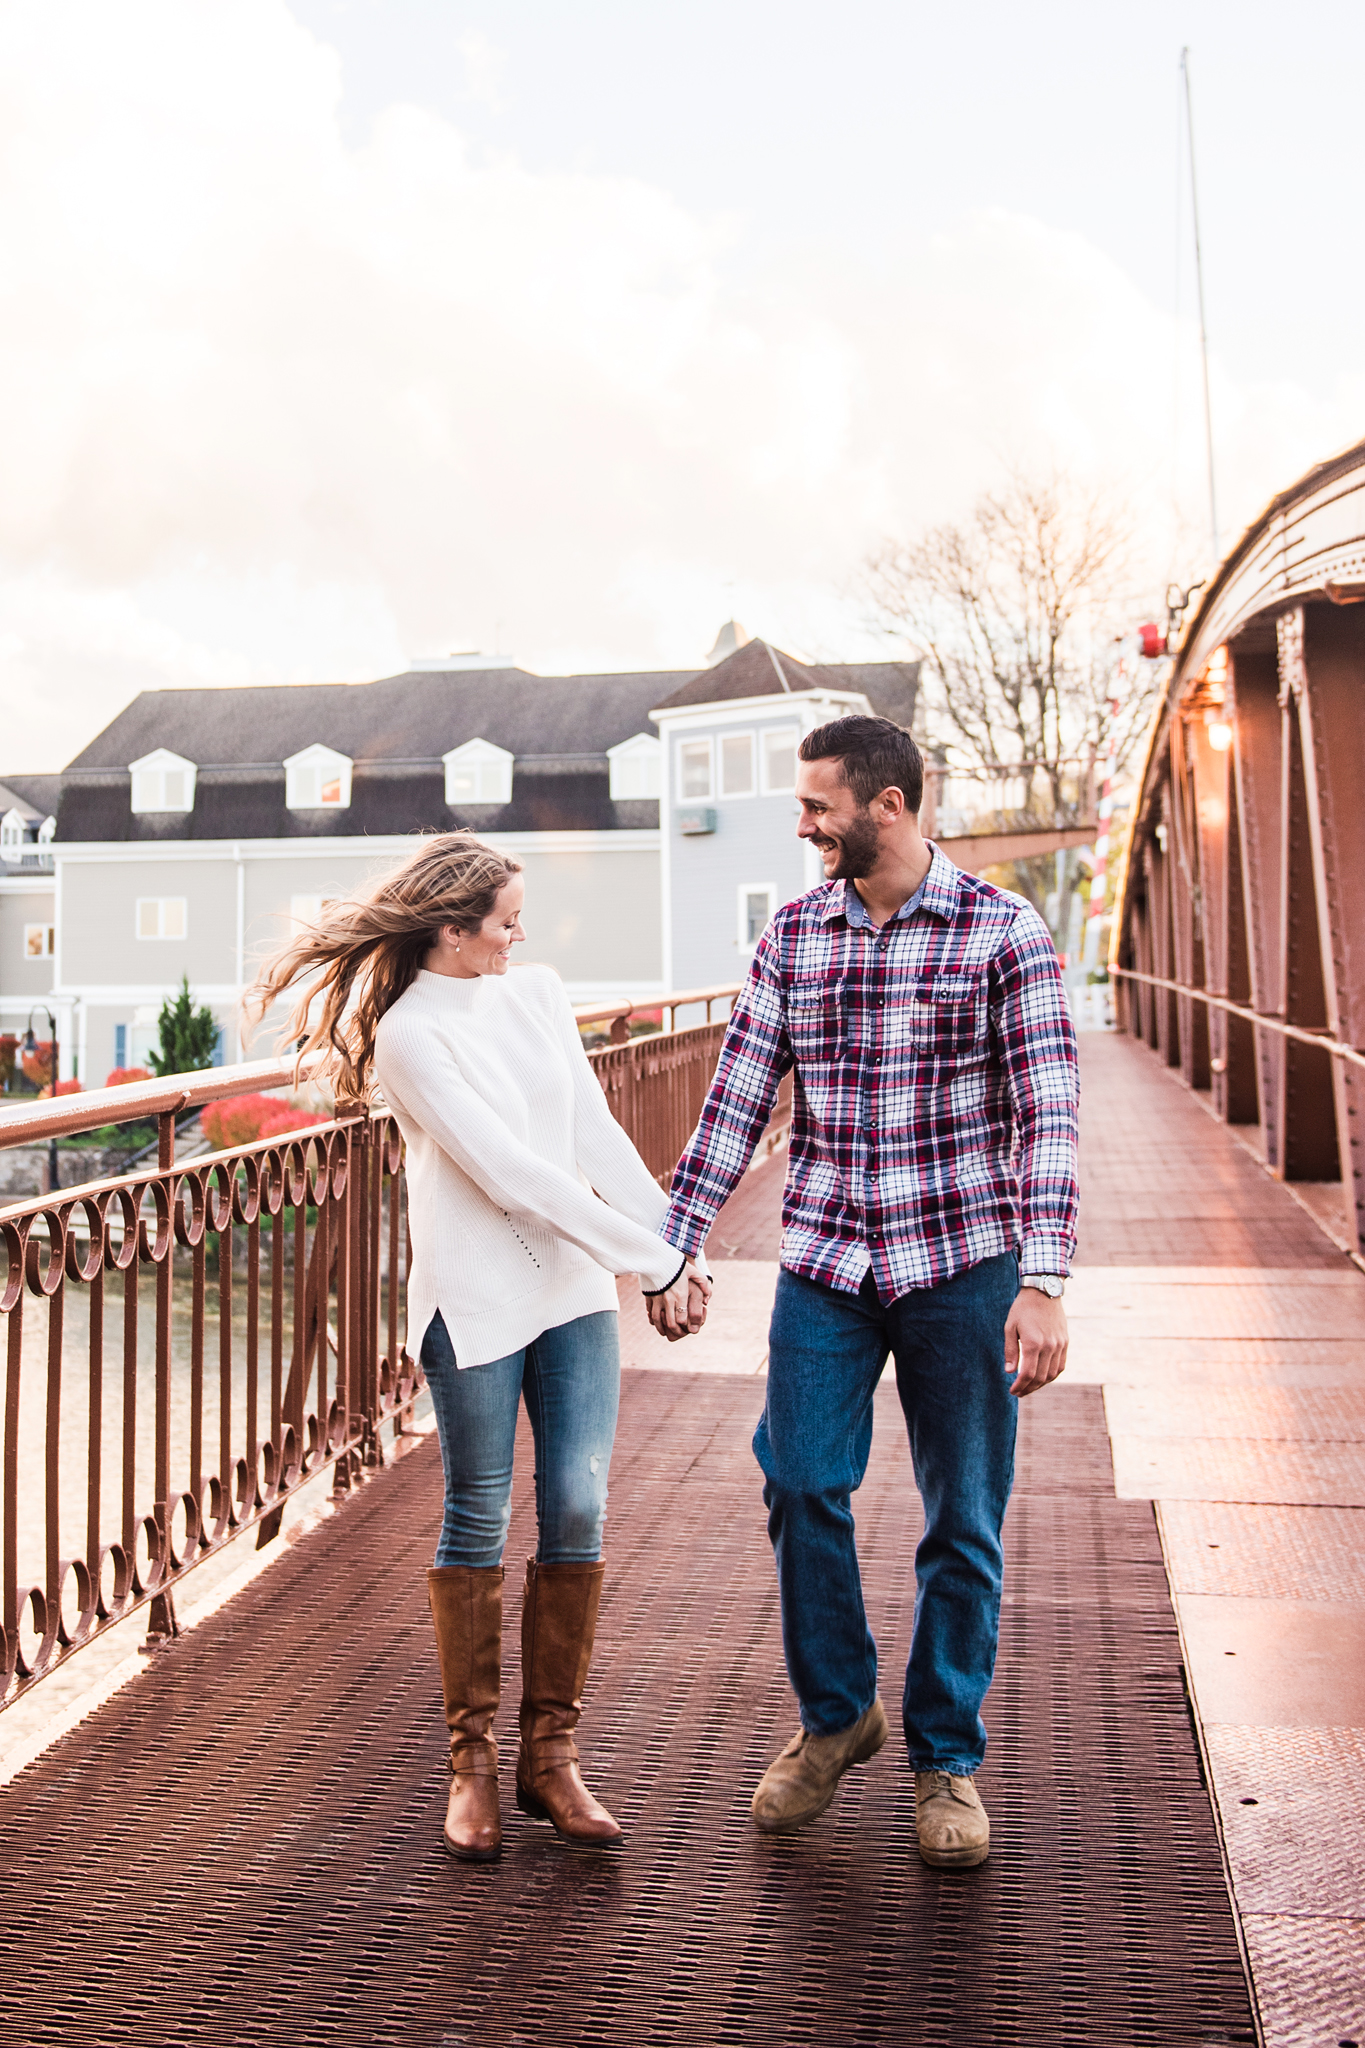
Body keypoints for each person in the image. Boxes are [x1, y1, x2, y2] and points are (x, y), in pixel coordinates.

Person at [647, 716, 1078, 1868]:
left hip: (965, 1264)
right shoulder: (794, 935)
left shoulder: (1003, 933)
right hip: (829, 1263)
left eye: (817, 804)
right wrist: (673, 1242)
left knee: (964, 1519)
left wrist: (1043, 1279)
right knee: (798, 1477)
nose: (800, 823)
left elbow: (1050, 1113)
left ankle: (947, 1755)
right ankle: (839, 1713)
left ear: (887, 804)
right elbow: (736, 1098)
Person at [251, 833, 710, 1861]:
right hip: (476, 1300)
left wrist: (677, 1245)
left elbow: (592, 1137)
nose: (520, 933)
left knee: (581, 1500)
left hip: (571, 1290)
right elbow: (511, 1175)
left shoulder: (537, 991)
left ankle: (552, 1757)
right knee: (477, 1510)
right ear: (449, 931)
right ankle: (471, 1763)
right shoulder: (413, 1036)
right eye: (502, 919)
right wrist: (652, 1261)